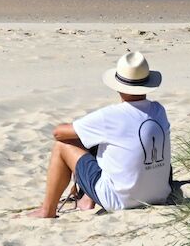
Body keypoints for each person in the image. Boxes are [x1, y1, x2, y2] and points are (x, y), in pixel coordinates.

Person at [29, 51, 171, 219]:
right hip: (160, 194)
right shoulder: (158, 110)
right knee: (108, 144)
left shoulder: (111, 116)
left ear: (118, 86)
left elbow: (58, 133)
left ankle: (47, 211)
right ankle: (87, 198)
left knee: (64, 145)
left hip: (121, 201)